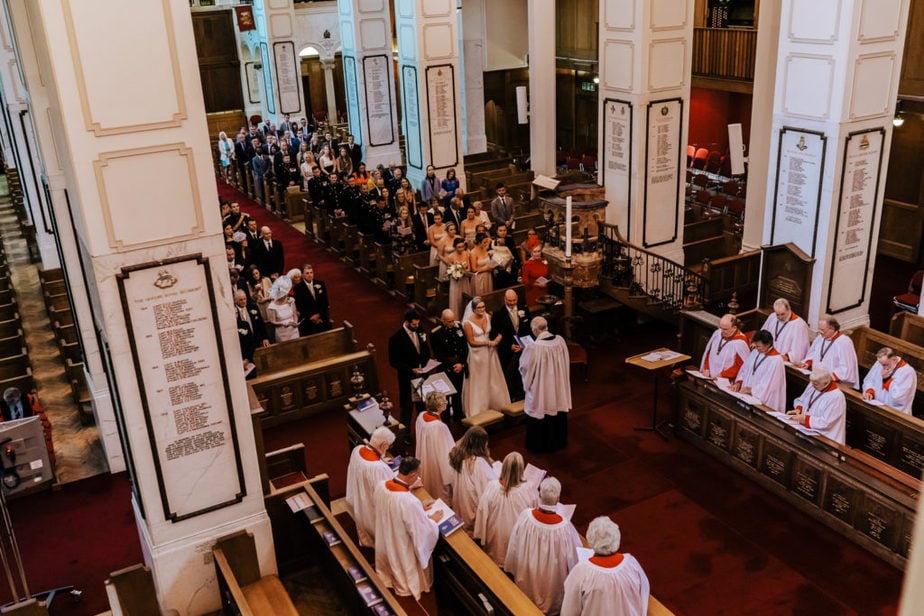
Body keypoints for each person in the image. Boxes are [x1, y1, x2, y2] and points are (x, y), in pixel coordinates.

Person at [505, 477, 582, 614]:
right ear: (558, 499)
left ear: (539, 495)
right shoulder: (565, 528)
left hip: (527, 578)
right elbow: (574, 558)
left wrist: (511, 566)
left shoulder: (526, 516)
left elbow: (514, 544)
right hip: (551, 587)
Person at [373, 457, 442, 600]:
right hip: (402, 543)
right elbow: (420, 531)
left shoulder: (381, 486)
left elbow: (394, 510)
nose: (418, 477)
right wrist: (433, 521)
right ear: (411, 475)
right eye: (417, 474)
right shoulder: (408, 501)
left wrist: (420, 508)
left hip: (387, 536)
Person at [561, 516, 650, 616]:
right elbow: (644, 595)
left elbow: (568, 611)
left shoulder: (581, 571)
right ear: (617, 537)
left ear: (590, 539)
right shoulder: (631, 563)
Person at [473, 452, 539, 567]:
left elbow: (482, 512)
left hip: (496, 537)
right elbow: (534, 514)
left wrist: (481, 536)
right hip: (516, 538)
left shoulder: (492, 487)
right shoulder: (529, 489)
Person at [520, 316, 571, 452]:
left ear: (535, 331)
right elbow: (565, 361)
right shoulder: (560, 341)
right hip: (557, 384)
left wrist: (527, 384)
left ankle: (540, 445)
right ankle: (559, 440)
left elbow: (525, 367)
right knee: (556, 408)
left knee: (541, 407)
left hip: (541, 387)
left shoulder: (533, 347)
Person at [346, 427, 396, 547]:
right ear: (384, 445)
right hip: (372, 510)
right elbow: (389, 493)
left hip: (359, 502)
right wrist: (410, 485)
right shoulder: (378, 468)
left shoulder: (357, 450)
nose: (388, 448)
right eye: (388, 445)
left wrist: (380, 459)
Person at [462, 297, 511, 418]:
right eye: (479, 308)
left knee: (493, 378)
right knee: (479, 381)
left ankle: (496, 404)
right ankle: (478, 409)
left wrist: (496, 341)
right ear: (473, 309)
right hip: (477, 355)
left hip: (491, 353)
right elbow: (471, 342)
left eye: (483, 307)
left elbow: (499, 332)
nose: (481, 309)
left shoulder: (489, 317)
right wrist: (488, 343)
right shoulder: (467, 323)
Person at [388, 310, 431, 433]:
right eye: (414, 325)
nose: (417, 327)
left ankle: (424, 431)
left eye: (418, 324)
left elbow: (425, 350)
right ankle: (405, 435)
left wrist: (427, 362)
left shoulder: (420, 330)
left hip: (422, 375)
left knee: (422, 406)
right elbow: (394, 361)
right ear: (406, 322)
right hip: (407, 378)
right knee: (407, 408)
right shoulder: (396, 338)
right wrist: (411, 370)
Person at [448, 426, 496, 531]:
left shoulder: (457, 454)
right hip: (473, 504)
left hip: (461, 501)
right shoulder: (478, 463)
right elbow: (490, 485)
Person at [730, 329, 787, 412]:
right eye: (755, 345)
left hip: (762, 402)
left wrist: (751, 390)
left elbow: (769, 385)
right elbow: (745, 369)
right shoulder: (755, 352)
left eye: (759, 346)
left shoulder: (776, 360)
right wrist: (739, 382)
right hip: (746, 396)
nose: (756, 348)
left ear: (768, 344)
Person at [788, 366, 847, 444]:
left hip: (825, 439)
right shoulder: (814, 385)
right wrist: (799, 409)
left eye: (816, 384)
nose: (812, 386)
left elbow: (826, 422)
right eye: (812, 383)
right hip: (806, 432)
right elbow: (802, 400)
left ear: (826, 383)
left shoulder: (836, 397)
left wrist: (805, 419)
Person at [492, 289, 532, 401]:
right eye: (509, 300)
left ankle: (525, 394)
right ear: (505, 299)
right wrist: (509, 345)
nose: (512, 303)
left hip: (523, 349)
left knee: (524, 374)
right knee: (510, 376)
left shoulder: (524, 309)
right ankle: (512, 397)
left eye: (514, 300)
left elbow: (529, 328)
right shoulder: (498, 313)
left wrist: (524, 344)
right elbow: (494, 334)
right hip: (508, 352)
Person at [798, 316, 859, 388]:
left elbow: (846, 368)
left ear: (832, 329)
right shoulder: (821, 337)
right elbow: (814, 353)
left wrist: (828, 378)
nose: (820, 332)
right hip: (817, 379)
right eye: (819, 329)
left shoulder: (844, 342)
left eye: (822, 330)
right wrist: (808, 363)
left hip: (834, 383)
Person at [415, 392, 455, 502]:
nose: (446, 403)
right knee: (439, 484)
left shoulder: (421, 416)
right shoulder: (439, 427)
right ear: (440, 406)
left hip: (425, 455)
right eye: (445, 401)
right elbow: (446, 451)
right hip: (436, 462)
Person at [429, 309, 468, 422]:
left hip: (459, 365)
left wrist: (461, 363)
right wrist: (452, 365)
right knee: (444, 394)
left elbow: (464, 348)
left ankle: (458, 415)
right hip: (445, 367)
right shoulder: (436, 333)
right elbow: (438, 354)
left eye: (453, 320)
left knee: (458, 391)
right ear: (443, 320)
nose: (451, 324)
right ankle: (445, 418)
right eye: (449, 321)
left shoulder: (458, 327)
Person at [862, 347, 917, 414]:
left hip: (895, 414)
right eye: (881, 364)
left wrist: (887, 379)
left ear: (894, 359)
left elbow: (898, 397)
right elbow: (870, 380)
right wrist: (869, 391)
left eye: (885, 365)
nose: (882, 367)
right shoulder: (881, 363)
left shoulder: (908, 372)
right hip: (876, 408)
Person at [699, 313, 749, 382]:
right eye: (721, 328)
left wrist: (723, 375)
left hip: (725, 380)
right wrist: (706, 368)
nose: (722, 332)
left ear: (734, 328)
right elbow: (708, 352)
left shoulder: (740, 342)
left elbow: (741, 366)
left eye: (725, 329)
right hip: (709, 376)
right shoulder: (717, 333)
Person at [760, 298, 811, 363]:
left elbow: (800, 350)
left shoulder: (799, 325)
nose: (780, 317)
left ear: (789, 309)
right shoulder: (772, 317)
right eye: (777, 315)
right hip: (769, 356)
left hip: (784, 361)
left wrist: (787, 356)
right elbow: (762, 334)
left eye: (782, 314)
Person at [234, 289, 269, 378]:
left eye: (244, 299)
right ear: (236, 301)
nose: (243, 301)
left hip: (256, 340)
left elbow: (261, 324)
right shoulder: (233, 312)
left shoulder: (253, 307)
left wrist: (264, 337)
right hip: (244, 346)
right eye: (241, 300)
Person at [293, 264, 331, 336]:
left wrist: (319, 315)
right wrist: (312, 317)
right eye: (307, 273)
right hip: (309, 322)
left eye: (311, 272)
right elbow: (300, 306)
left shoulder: (320, 284)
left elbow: (325, 302)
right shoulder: (298, 288)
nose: (310, 275)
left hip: (322, 318)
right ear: (302, 275)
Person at [265, 276, 299, 342]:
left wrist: (295, 322)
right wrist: (283, 323)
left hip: (294, 332)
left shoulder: (291, 301)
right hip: (282, 334)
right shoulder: (272, 306)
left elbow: (295, 314)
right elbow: (272, 321)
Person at [445, 237, 471, 319]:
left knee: (465, 298)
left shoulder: (466, 253)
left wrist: (463, 272)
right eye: (459, 247)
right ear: (455, 247)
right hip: (456, 281)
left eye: (463, 246)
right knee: (456, 299)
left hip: (464, 280)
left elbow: (469, 268)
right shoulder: (450, 257)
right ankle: (456, 318)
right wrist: (457, 273)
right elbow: (449, 271)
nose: (461, 249)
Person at [469, 232, 495, 297]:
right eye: (484, 242)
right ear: (479, 242)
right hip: (479, 277)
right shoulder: (473, 252)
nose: (486, 244)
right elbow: (474, 269)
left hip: (487, 276)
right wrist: (486, 268)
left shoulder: (485, 249)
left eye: (486, 242)